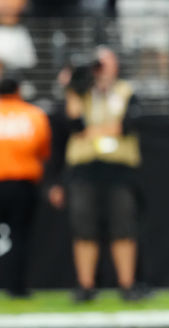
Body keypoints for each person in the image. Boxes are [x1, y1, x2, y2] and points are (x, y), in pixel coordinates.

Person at [48, 46, 144, 302]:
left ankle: (127, 284)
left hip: (119, 169)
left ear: (115, 66)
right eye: (96, 65)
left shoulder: (125, 91)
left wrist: (96, 131)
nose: (100, 70)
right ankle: (86, 285)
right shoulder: (80, 92)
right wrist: (72, 88)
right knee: (83, 229)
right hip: (85, 170)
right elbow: (74, 125)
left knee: (124, 227)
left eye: (104, 64)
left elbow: (129, 125)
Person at [0, 73, 51, 297]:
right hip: (22, 184)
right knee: (20, 236)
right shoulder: (33, 115)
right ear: (19, 90)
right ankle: (16, 287)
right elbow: (43, 150)